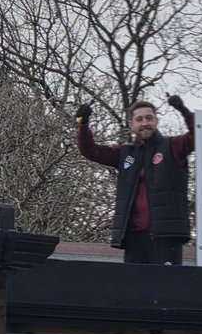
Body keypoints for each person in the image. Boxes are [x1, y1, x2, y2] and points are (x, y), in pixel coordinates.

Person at [75, 95, 194, 264]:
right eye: (139, 119)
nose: (145, 123)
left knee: (166, 289)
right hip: (133, 238)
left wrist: (184, 110)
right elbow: (90, 151)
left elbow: (198, 135)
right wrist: (83, 124)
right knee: (134, 289)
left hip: (167, 236)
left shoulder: (172, 146)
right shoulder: (125, 153)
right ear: (131, 125)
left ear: (156, 121)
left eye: (149, 118)